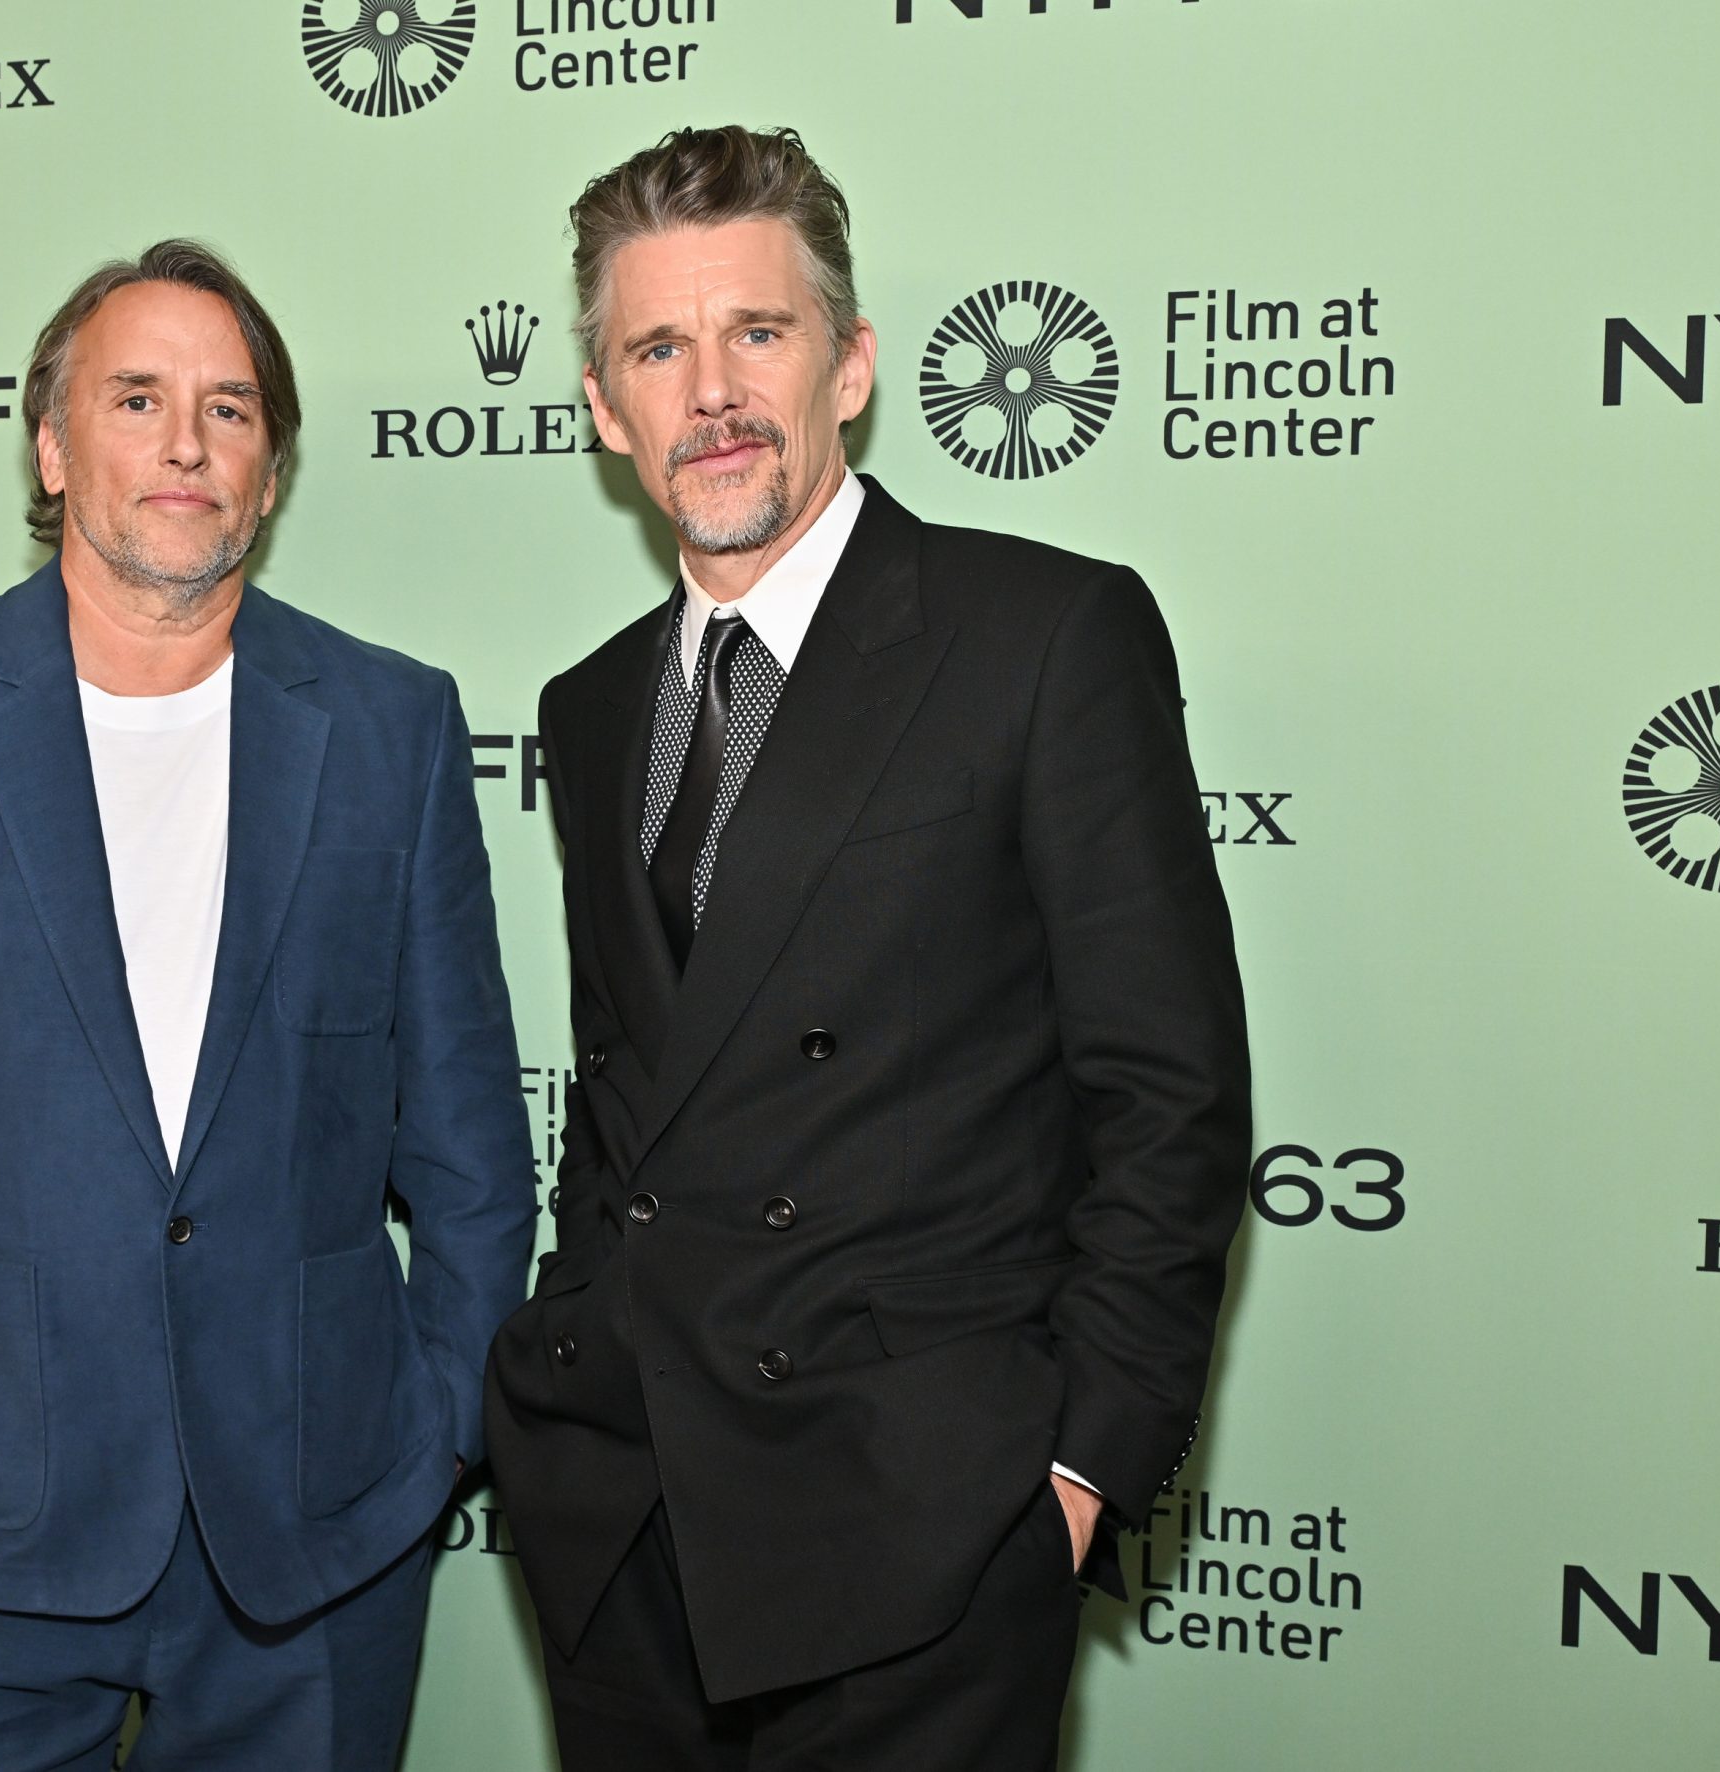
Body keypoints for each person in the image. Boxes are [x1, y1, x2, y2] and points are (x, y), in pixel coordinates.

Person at [484, 127, 1252, 1770]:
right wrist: (563, 1354)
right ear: (606, 410)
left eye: (757, 331)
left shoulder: (1040, 635)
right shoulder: (594, 703)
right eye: (658, 349)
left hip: (921, 1528)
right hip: (628, 1519)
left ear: (850, 364)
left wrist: (1075, 1477)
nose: (713, 391)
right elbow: (626, 1100)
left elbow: (1168, 1093)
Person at [0, 239, 534, 1772]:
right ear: (53, 448)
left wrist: (442, 1427)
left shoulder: (393, 728)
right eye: (138, 398)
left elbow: (469, 1142)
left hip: (314, 1539)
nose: (187, 441)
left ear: (270, 470)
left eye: (230, 409)